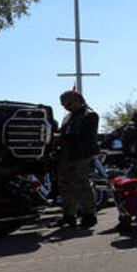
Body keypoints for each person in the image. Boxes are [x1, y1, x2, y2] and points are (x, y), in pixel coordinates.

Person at [55, 90, 99, 229]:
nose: (66, 107)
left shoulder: (89, 115)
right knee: (65, 186)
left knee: (82, 185)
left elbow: (87, 137)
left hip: (81, 155)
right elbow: (64, 134)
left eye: (68, 103)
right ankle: (69, 216)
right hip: (66, 155)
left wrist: (65, 138)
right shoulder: (68, 117)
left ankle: (89, 216)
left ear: (77, 100)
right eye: (63, 104)